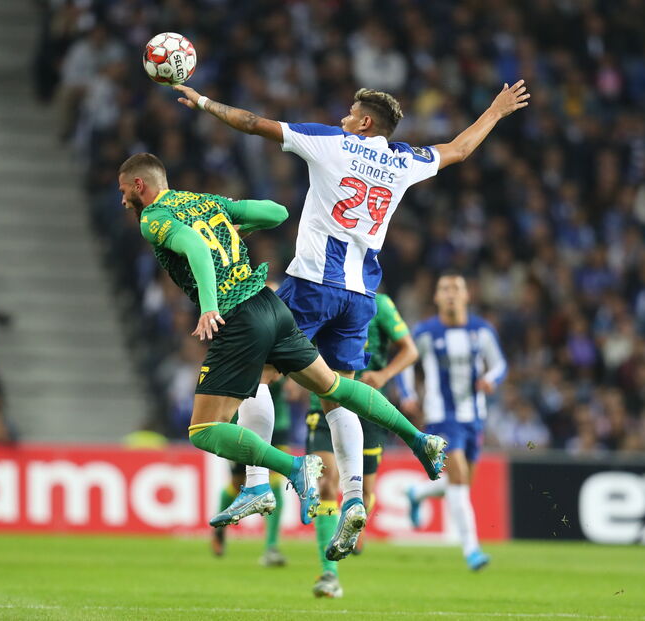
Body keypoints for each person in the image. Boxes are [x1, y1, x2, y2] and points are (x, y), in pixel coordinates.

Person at [172, 78, 528, 559]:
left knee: (256, 376)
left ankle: (257, 483)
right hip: (362, 296)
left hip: (313, 285)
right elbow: (460, 150)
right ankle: (355, 498)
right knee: (339, 393)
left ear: (364, 122)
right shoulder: (404, 161)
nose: (342, 118)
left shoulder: (332, 142)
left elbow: (253, 123)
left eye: (349, 113)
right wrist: (495, 112)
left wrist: (203, 101)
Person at [120, 153, 447, 525]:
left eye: (124, 190)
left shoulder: (153, 217)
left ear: (139, 185)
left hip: (239, 315)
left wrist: (209, 306)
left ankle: (290, 469)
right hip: (271, 305)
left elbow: (195, 247)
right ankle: (421, 440)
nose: (122, 199)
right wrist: (234, 228)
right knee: (334, 386)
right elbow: (275, 212)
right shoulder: (204, 201)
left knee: (204, 429)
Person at [307, 292, 417, 598]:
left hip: (367, 405)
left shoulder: (380, 304)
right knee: (327, 482)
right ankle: (329, 574)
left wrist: (383, 374)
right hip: (324, 399)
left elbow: (409, 350)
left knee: (365, 492)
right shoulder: (320, 295)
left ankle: (353, 524)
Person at [404, 274, 507, 571]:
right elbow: (407, 361)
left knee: (460, 482)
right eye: (444, 289)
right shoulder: (425, 332)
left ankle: (417, 492)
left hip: (474, 417)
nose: (450, 294)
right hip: (440, 417)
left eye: (456, 289)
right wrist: (410, 393)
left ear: (467, 296)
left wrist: (490, 378)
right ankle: (472, 550)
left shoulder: (482, 331)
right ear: (436, 297)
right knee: (459, 477)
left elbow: (499, 363)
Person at [211, 370, 292, 567]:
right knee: (237, 483)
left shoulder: (277, 345)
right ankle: (219, 530)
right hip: (239, 423)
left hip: (276, 423)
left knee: (274, 479)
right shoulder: (240, 349)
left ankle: (271, 546)